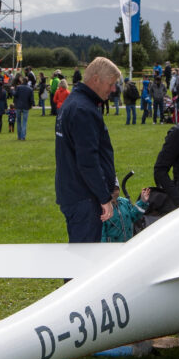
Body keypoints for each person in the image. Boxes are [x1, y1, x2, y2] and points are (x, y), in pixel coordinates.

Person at [54, 57, 120, 244]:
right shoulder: (83, 109)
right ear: (96, 79)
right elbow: (88, 161)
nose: (113, 89)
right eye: (111, 83)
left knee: (80, 253)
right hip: (84, 197)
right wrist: (103, 197)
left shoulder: (73, 103)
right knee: (83, 258)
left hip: (74, 192)